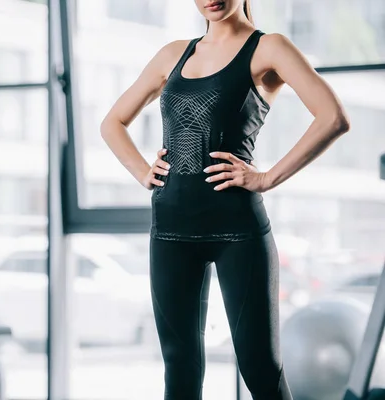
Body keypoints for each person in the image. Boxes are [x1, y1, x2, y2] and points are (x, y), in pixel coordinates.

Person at [100, 0, 350, 398]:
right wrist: (142, 171)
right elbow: (112, 122)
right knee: (179, 367)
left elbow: (333, 117)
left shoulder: (269, 48)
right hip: (170, 231)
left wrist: (266, 178)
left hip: (237, 231)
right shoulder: (173, 54)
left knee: (260, 368)